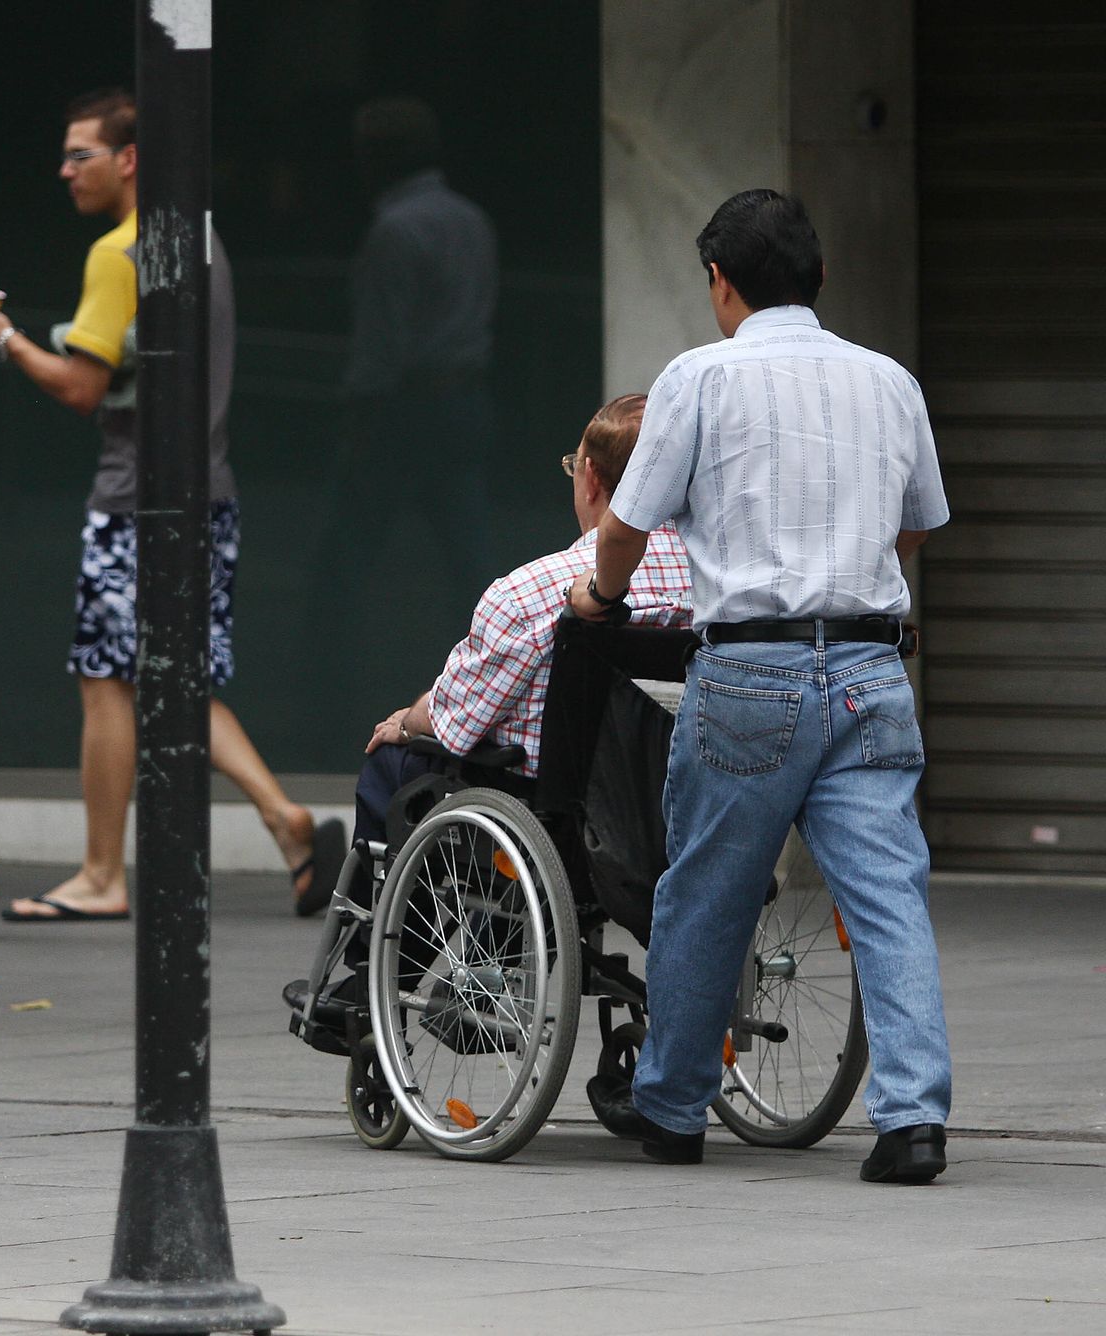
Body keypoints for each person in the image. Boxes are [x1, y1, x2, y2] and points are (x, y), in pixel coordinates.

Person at [572, 189, 953, 1185]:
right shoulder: (890, 381)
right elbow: (916, 522)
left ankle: (671, 1107)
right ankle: (913, 1119)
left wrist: (600, 601)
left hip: (749, 671)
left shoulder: (698, 378)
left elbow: (625, 526)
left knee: (706, 894)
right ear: (818, 276)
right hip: (870, 669)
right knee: (889, 896)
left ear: (719, 282)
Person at [0, 88, 343, 922]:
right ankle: (287, 823)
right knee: (175, 680)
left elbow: (81, 386)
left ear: (129, 159)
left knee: (106, 682)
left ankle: (101, 876)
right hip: (208, 496)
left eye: (80, 155)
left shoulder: (116, 252)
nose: (65, 171)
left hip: (134, 500)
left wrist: (4, 339)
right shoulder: (199, 239)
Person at [284, 393, 692, 1019]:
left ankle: (376, 980)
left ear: (590, 478)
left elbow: (456, 720)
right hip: (680, 813)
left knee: (397, 769)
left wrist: (404, 723)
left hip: (561, 829)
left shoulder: (531, 593)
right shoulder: (725, 589)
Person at [315, 96, 500, 646]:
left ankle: (329, 662)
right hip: (463, 396)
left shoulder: (395, 230)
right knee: (468, 548)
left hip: (404, 407)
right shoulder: (471, 218)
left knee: (348, 549)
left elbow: (382, 344)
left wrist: (358, 420)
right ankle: (498, 655)